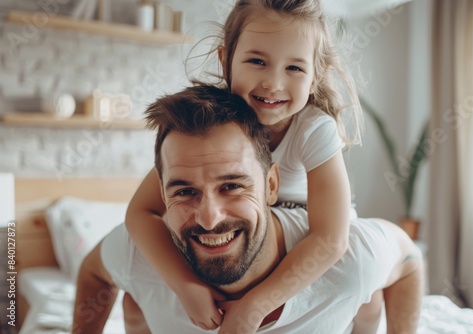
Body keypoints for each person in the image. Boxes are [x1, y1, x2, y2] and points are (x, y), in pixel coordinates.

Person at [72, 85, 423, 334]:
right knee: (135, 304)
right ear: (162, 196)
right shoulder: (142, 252)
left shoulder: (349, 260)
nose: (210, 218)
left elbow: (409, 262)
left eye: (231, 186)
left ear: (272, 185)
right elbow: (92, 271)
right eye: (184, 191)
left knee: (367, 300)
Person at [125, 1, 365, 332]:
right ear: (226, 61)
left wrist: (255, 307)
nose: (273, 84)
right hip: (248, 237)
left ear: (315, 75)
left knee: (366, 294)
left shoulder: (314, 128)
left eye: (294, 68)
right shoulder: (210, 125)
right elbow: (140, 212)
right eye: (257, 61)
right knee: (134, 296)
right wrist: (185, 286)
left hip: (302, 241)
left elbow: (330, 239)